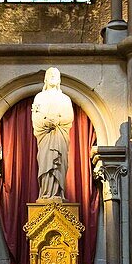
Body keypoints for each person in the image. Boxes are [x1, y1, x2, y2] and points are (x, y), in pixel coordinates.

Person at [32, 67, 74, 200]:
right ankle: (46, 193)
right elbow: (36, 119)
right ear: (45, 78)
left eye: (55, 75)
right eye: (50, 75)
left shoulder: (65, 99)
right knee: (46, 162)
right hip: (46, 136)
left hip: (60, 135)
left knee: (59, 164)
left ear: (59, 79)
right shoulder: (40, 97)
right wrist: (46, 123)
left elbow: (69, 117)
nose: (53, 77)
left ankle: (58, 193)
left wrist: (58, 120)